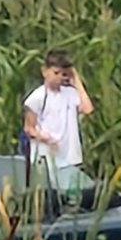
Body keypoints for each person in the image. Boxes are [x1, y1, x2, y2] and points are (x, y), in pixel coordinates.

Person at [23, 51, 93, 197]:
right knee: (51, 195)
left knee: (72, 195)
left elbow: (87, 109)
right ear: (45, 71)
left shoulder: (70, 94)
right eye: (56, 73)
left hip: (69, 156)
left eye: (63, 74)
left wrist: (76, 80)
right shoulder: (37, 97)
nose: (59, 77)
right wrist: (44, 137)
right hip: (47, 158)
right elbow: (29, 128)